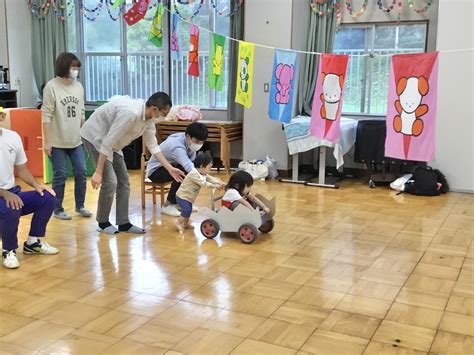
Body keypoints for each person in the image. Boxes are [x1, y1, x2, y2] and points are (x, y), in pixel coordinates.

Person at [80, 92, 184, 235]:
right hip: (95, 137)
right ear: (154, 109)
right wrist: (98, 172)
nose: (164, 117)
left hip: (113, 143)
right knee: (110, 182)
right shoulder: (130, 114)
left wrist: (170, 168)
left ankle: (123, 223)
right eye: (163, 113)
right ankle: (103, 222)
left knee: (124, 181)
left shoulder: (149, 120)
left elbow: (153, 146)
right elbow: (107, 142)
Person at [0, 108, 59, 269]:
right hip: (5, 196)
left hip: (11, 192)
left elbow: (22, 169)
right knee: (11, 206)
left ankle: (33, 242)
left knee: (47, 197)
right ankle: (8, 250)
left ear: (2, 115)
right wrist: (4, 193)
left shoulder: (12, 137)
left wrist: (37, 185)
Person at [42, 52, 92, 220]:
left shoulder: (78, 86)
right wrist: (47, 141)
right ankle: (57, 208)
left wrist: (84, 134)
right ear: (64, 67)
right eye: (73, 67)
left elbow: (82, 112)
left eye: (77, 68)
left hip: (76, 140)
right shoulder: (51, 86)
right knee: (60, 174)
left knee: (81, 171)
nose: (76, 70)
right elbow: (46, 115)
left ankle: (80, 205)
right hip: (57, 141)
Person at [146, 122, 208, 217]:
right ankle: (168, 205)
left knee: (187, 173)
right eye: (197, 141)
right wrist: (207, 178)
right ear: (188, 136)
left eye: (201, 142)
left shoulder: (188, 142)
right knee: (184, 173)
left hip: (171, 167)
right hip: (155, 171)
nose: (199, 144)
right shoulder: (177, 145)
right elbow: (188, 166)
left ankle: (180, 202)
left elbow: (192, 163)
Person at [175, 152, 225, 233]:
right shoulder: (194, 174)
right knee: (186, 210)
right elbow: (204, 183)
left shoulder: (202, 173)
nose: (210, 170)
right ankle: (178, 223)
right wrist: (215, 186)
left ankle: (185, 223)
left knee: (189, 210)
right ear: (202, 166)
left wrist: (219, 182)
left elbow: (210, 178)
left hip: (189, 197)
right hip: (182, 196)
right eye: (209, 168)